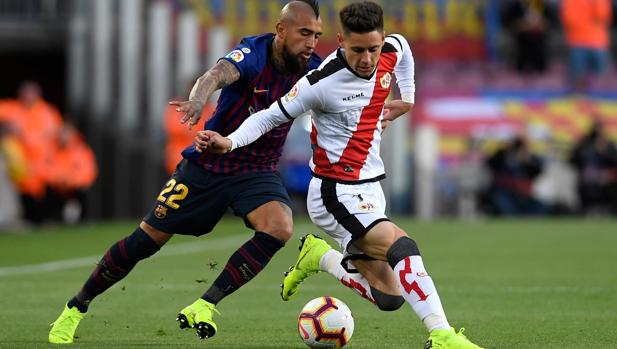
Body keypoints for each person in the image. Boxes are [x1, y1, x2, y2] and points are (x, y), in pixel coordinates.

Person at [199, 2, 483, 348]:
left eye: (373, 49)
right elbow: (269, 116)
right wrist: (229, 141)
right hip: (336, 194)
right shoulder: (320, 82)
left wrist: (406, 99)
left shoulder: (390, 50)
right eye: (357, 50)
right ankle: (442, 336)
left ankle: (320, 257)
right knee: (403, 246)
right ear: (340, 42)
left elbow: (404, 51)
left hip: (371, 188)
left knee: (390, 296)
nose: (367, 59)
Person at [48, 0, 322, 344]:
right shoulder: (254, 52)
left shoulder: (315, 69)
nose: (311, 42)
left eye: (316, 35)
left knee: (280, 226)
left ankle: (205, 305)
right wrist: (196, 100)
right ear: (281, 30)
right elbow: (216, 75)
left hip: (256, 170)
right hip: (207, 166)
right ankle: (77, 306)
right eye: (304, 33)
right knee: (143, 243)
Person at [0, 81, 63, 224]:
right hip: (22, 165)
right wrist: (5, 129)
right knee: (24, 197)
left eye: (31, 92)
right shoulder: (13, 109)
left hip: (45, 164)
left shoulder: (48, 112)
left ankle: (48, 220)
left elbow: (59, 136)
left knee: (46, 197)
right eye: (25, 93)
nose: (28, 96)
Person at [45, 122, 98, 223]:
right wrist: (59, 180)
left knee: (83, 191)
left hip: (74, 189)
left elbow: (87, 172)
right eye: (62, 133)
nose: (64, 137)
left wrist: (70, 181)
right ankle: (51, 219)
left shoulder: (81, 151)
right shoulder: (52, 151)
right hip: (58, 188)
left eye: (67, 133)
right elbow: (47, 170)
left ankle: (84, 219)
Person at [484, 135, 546, 216]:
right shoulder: (502, 155)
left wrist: (527, 161)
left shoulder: (528, 158)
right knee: (506, 206)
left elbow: (538, 171)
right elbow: (490, 163)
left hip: (523, 194)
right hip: (503, 191)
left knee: (540, 207)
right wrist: (505, 150)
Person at [561, 0, 612, 89]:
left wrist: (596, 3)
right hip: (577, 40)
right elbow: (568, 19)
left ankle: (598, 91)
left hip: (598, 41)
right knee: (576, 75)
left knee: (602, 77)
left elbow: (604, 17)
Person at [569, 120, 617, 214]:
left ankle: (611, 211)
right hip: (588, 178)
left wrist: (604, 152)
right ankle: (584, 212)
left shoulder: (608, 144)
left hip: (606, 178)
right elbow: (574, 159)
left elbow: (614, 161)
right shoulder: (585, 143)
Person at [501, 0, 556, 73]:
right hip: (521, 38)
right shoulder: (515, 6)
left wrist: (541, 25)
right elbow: (507, 22)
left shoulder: (542, 5)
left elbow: (551, 22)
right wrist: (521, 25)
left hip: (539, 38)